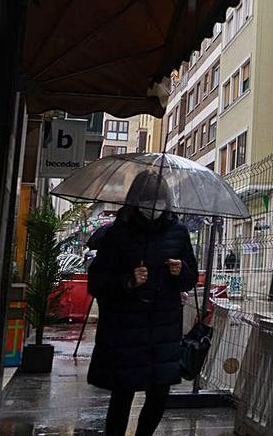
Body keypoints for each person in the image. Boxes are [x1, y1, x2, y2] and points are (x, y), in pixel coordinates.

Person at [88, 171, 198, 436]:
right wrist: (128, 281)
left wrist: (181, 270)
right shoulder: (117, 233)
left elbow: (190, 278)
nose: (153, 206)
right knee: (122, 395)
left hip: (163, 330)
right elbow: (97, 283)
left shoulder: (178, 232)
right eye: (148, 199)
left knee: (159, 395)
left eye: (158, 199)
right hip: (127, 330)